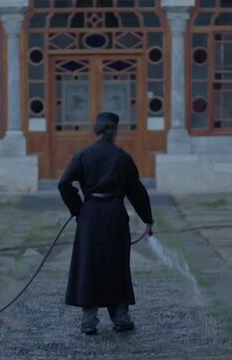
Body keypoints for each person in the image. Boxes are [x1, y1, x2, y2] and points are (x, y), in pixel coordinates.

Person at [58, 111, 154, 335]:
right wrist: (147, 219)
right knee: (116, 263)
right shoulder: (122, 157)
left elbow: (64, 184)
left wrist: (78, 208)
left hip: (90, 215)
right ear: (115, 131)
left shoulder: (83, 155)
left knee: (88, 265)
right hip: (114, 215)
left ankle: (88, 321)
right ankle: (120, 318)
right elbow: (136, 192)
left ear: (97, 131)